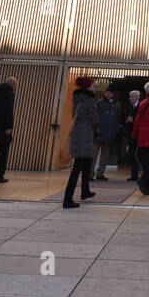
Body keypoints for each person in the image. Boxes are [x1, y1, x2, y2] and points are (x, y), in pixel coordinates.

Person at [63, 76, 98, 208]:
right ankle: (67, 199)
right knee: (77, 168)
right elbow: (95, 119)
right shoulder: (89, 100)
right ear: (87, 87)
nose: (95, 89)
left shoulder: (77, 99)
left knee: (86, 162)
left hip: (78, 134)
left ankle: (85, 191)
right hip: (85, 135)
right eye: (94, 86)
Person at [93, 88, 123, 181]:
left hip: (110, 134)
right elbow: (95, 116)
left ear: (113, 94)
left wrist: (115, 131)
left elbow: (119, 119)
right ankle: (90, 174)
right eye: (106, 92)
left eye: (110, 92)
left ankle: (100, 173)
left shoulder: (117, 105)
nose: (107, 94)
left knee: (105, 156)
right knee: (94, 154)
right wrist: (96, 128)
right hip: (98, 132)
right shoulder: (99, 103)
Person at [122, 89, 142, 181]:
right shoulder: (129, 107)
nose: (130, 98)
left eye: (132, 96)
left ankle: (148, 174)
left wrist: (133, 121)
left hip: (139, 134)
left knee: (140, 155)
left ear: (137, 97)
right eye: (130, 96)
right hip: (131, 134)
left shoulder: (141, 106)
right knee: (132, 154)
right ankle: (134, 175)